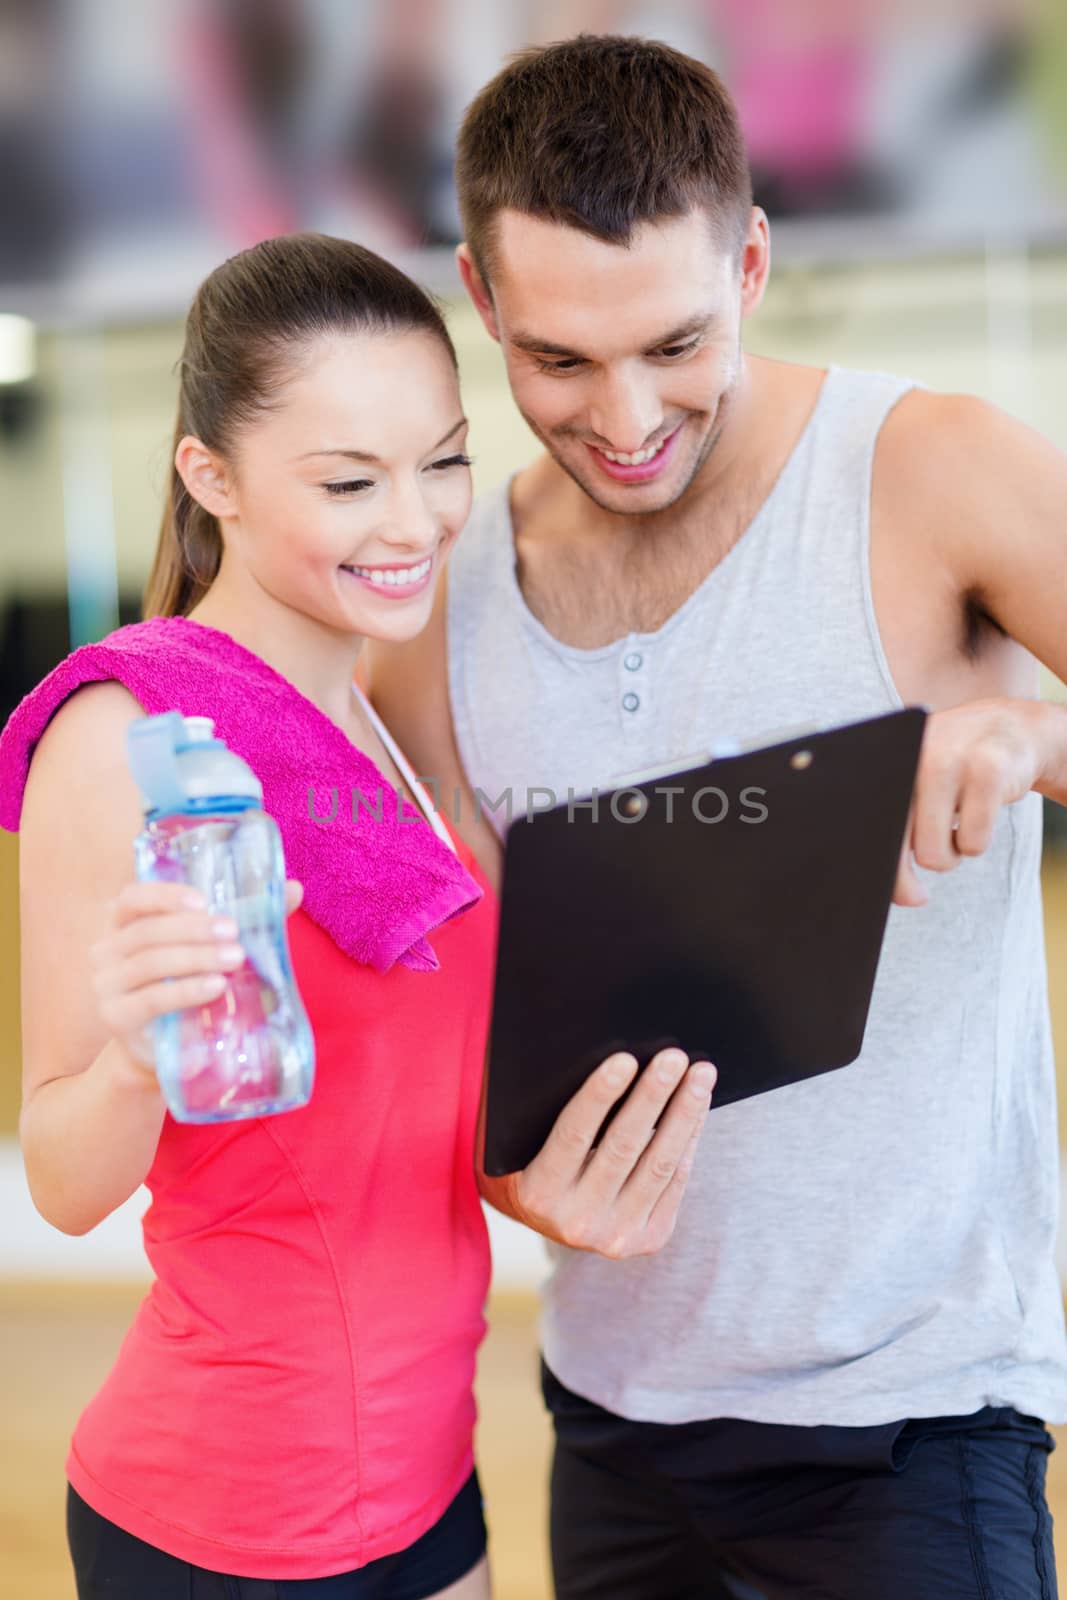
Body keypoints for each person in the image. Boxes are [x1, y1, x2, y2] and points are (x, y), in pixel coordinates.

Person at [366, 35, 1067, 1600]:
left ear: (750, 262)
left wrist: (1032, 732)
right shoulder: (439, 590)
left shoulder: (930, 470)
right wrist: (504, 1168)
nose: (624, 416)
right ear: (481, 302)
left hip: (910, 1416)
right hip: (614, 1416)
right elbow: (468, 987)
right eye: (558, 360)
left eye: (676, 342)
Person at [0, 232, 713, 1599]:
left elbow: (419, 1127)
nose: (415, 520)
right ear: (210, 477)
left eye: (441, 459)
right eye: (347, 481)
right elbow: (63, 1179)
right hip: (224, 1518)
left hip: (434, 1484)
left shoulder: (387, 724)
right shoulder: (129, 731)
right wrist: (141, 1055)